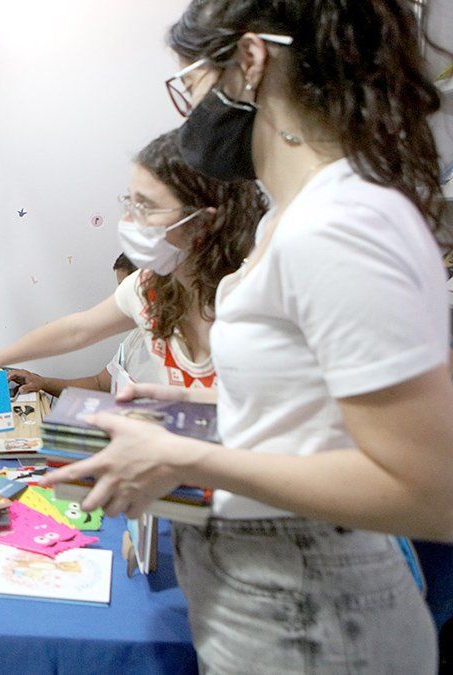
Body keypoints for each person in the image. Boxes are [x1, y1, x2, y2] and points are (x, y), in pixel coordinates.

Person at [46, 2, 453, 671]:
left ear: (250, 61)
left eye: (192, 85)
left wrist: (185, 457)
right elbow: (315, 416)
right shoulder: (289, 219)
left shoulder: (341, 223)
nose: (190, 115)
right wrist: (199, 410)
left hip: (314, 613)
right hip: (266, 595)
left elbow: (428, 492)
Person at [0, 128, 264, 401]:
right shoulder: (150, 287)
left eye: (146, 206)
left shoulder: (258, 303)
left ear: (202, 222)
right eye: (130, 202)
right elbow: (77, 330)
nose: (128, 220)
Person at [7, 254, 142, 396]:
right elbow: (99, 384)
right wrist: (42, 383)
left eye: (126, 291)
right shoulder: (136, 337)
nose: (120, 300)